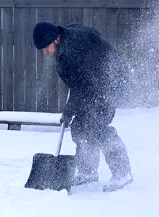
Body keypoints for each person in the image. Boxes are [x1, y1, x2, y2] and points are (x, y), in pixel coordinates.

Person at [32, 21, 133, 191]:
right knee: (80, 127)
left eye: (46, 46)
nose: (45, 52)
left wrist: (69, 111)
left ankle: (123, 173)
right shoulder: (67, 37)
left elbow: (83, 86)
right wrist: (71, 111)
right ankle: (88, 172)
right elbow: (79, 83)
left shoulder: (72, 52)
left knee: (96, 127)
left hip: (110, 83)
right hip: (96, 82)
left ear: (54, 39)